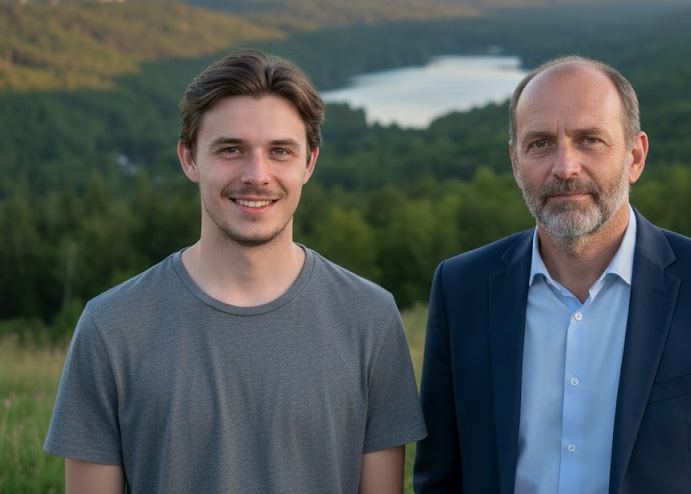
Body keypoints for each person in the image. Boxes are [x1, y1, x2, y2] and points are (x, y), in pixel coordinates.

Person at [45, 49, 426, 494]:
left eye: (280, 151)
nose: (257, 175)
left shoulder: (370, 318)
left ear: (310, 163)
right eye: (231, 149)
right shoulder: (111, 326)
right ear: (189, 159)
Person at [413, 55, 691, 493]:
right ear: (515, 163)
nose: (565, 167)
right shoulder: (462, 290)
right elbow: (439, 479)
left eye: (589, 140)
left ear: (635, 156)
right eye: (540, 143)